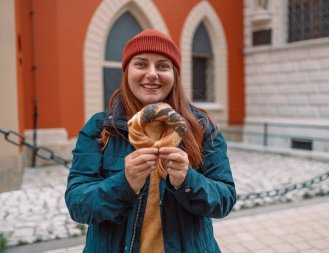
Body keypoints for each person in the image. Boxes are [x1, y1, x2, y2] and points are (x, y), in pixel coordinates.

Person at [65, 29, 236, 253]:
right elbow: (78, 205)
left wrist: (187, 181)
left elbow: (225, 199)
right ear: (127, 71)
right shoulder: (100, 128)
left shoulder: (201, 127)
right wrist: (124, 184)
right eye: (141, 64)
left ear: (175, 74)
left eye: (163, 66)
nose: (152, 74)